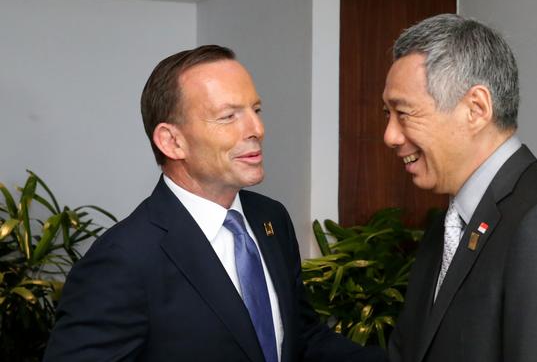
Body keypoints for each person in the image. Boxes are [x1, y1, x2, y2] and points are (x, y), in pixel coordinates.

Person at [44, 45, 385, 362]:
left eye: (255, 110)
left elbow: (301, 336)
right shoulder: (122, 260)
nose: (257, 129)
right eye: (227, 117)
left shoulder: (271, 219)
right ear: (172, 141)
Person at [382, 14, 537, 362]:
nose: (390, 136)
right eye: (388, 115)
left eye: (404, 113)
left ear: (476, 109)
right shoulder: (446, 227)